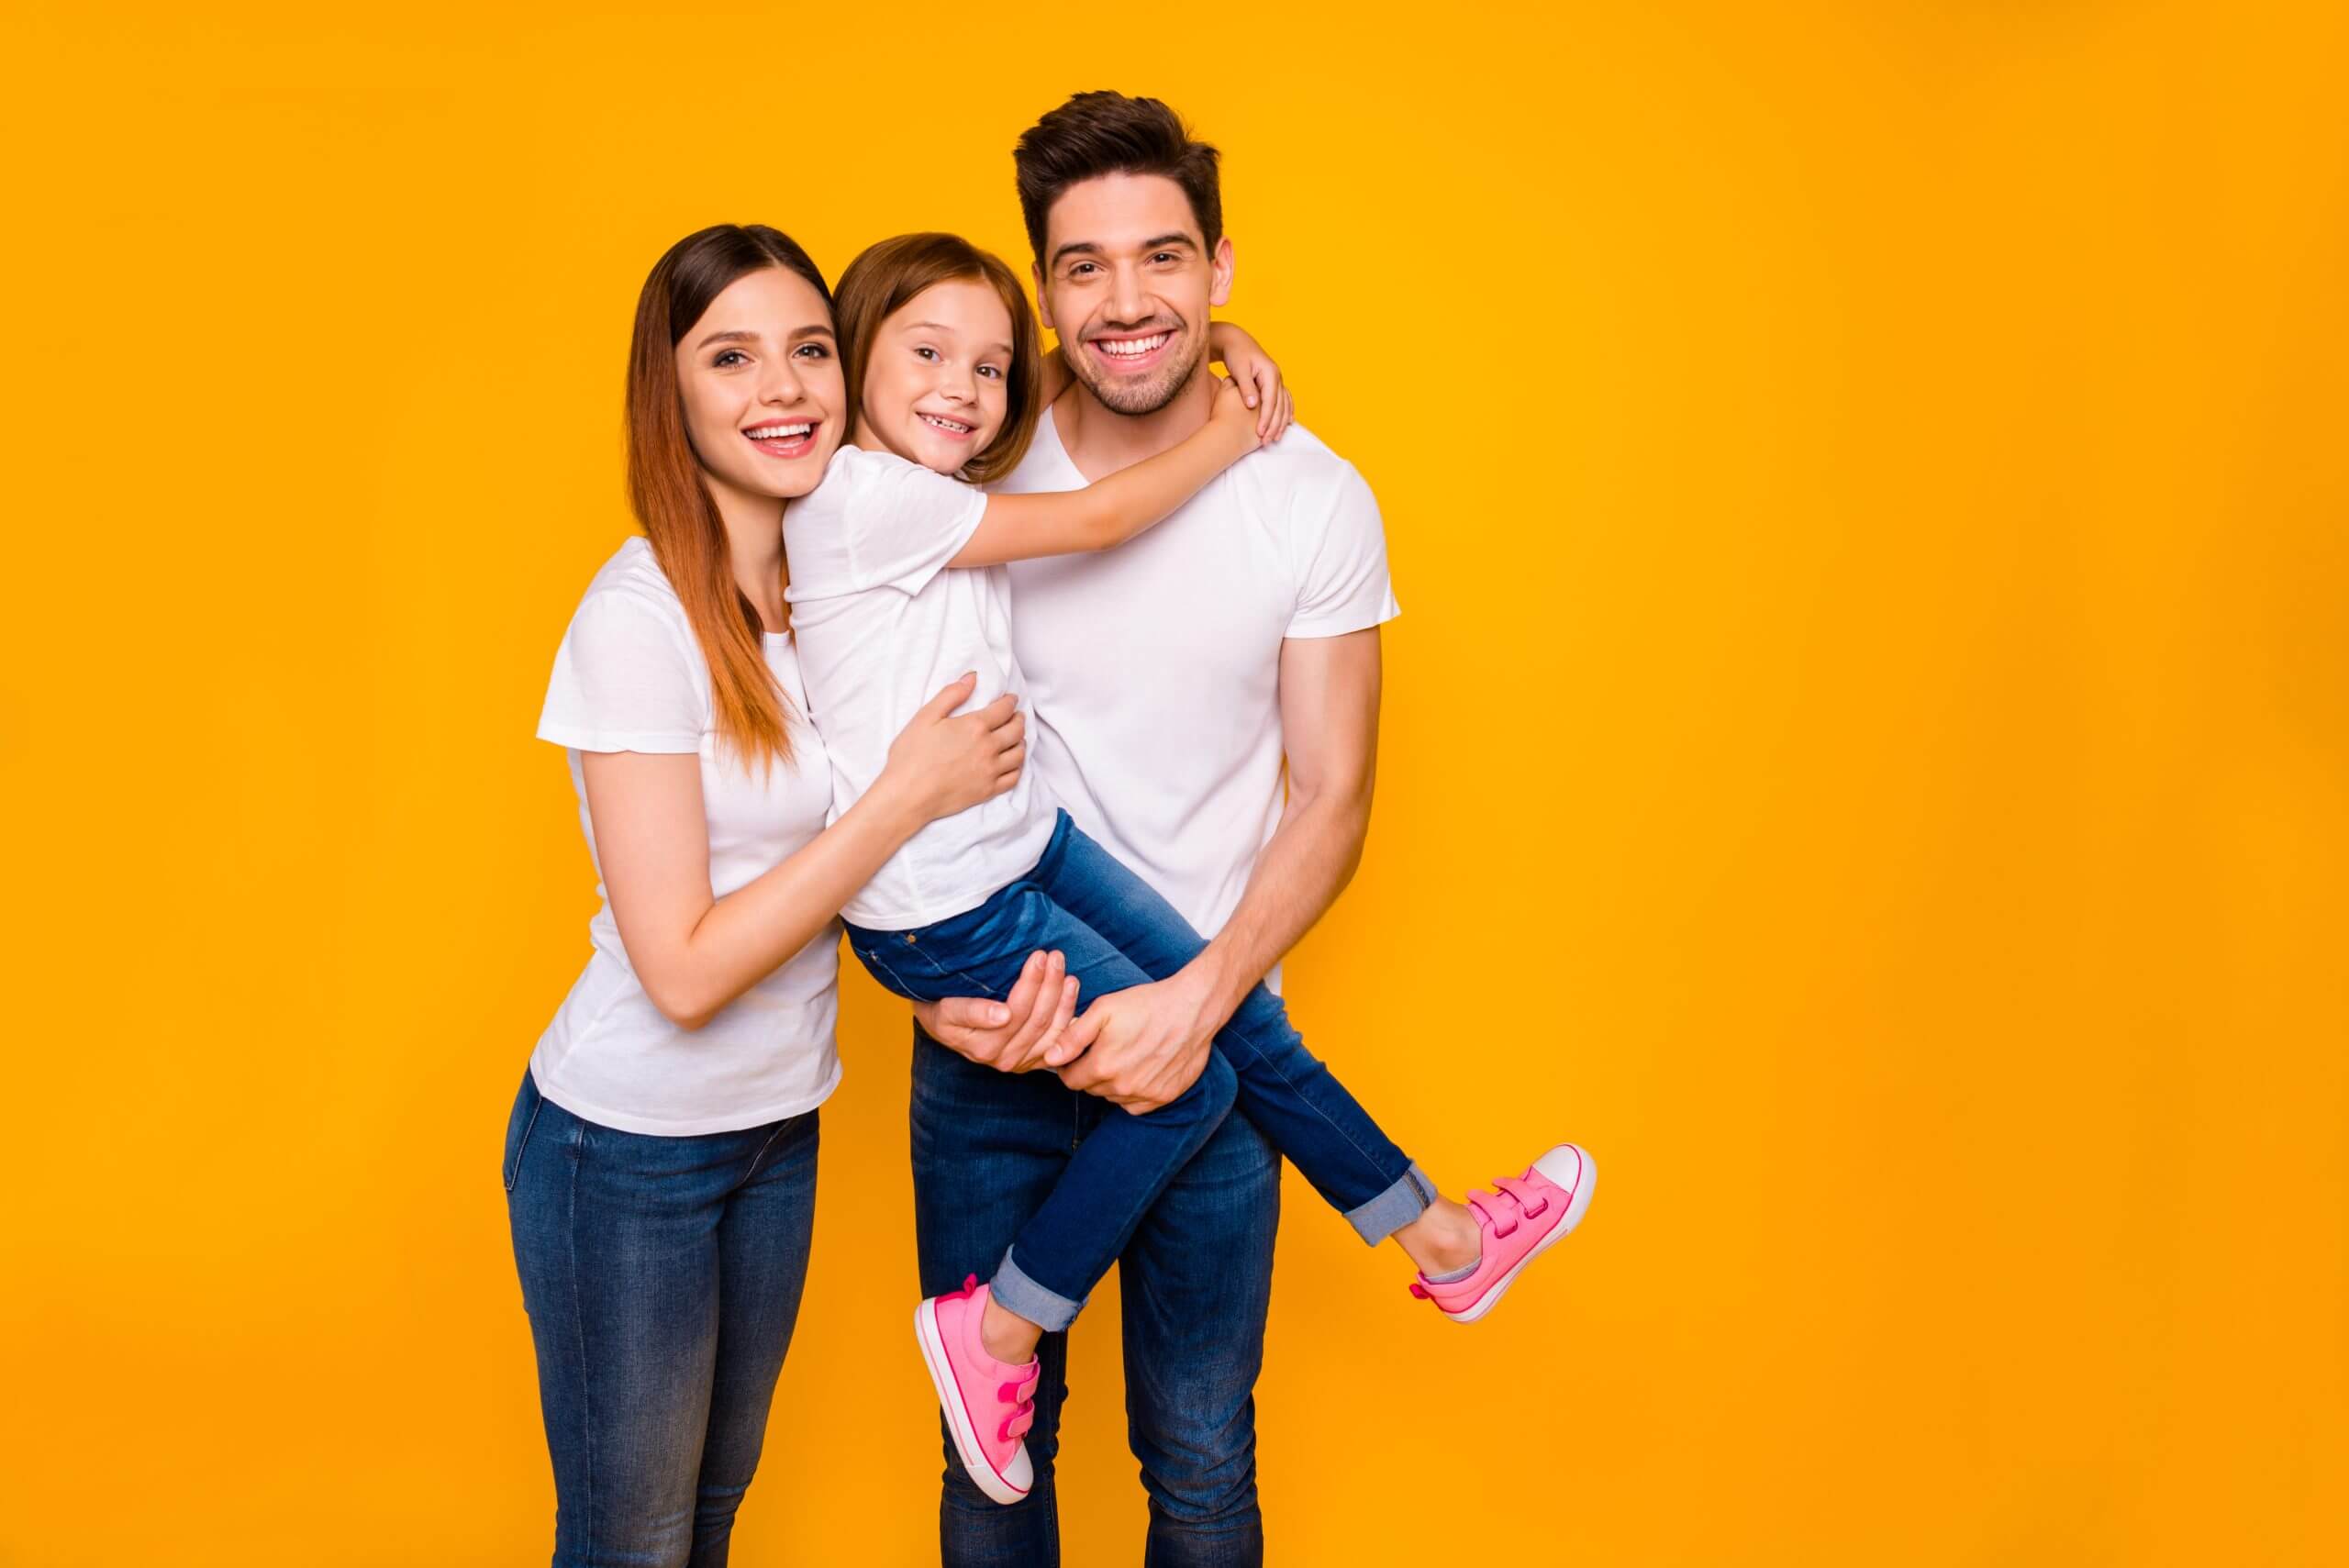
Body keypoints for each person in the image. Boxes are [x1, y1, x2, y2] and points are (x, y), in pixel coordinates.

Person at [782, 226, 1595, 1512]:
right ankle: (998, 1327)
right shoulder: (864, 496)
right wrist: (1234, 423)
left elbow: (1105, 360)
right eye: (925, 353)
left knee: (1235, 1023)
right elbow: (1102, 510)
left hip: (1019, 845)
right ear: (852, 358)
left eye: (990, 367)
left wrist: (1217, 342)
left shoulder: (941, 469)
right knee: (1202, 1075)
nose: (963, 387)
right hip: (955, 899)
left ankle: (1440, 1235)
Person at [503, 223, 1027, 1568]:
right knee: (634, 1542)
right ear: (667, 394)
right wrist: (906, 795)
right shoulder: (636, 621)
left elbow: (814, 888)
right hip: (625, 1150)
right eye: (730, 357)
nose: (782, 388)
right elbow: (681, 966)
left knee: (710, 1526)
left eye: (806, 350)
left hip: (775, 1128)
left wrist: (943, 993)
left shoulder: (827, 592)